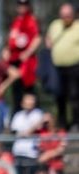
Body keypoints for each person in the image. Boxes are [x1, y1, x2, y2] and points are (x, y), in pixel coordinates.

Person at [46, 3, 79, 131]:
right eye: (64, 16)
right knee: (60, 96)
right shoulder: (55, 25)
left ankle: (76, 123)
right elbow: (49, 39)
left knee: (75, 96)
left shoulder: (77, 26)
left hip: (75, 67)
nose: (66, 18)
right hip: (57, 68)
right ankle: (62, 124)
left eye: (68, 16)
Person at [4, 0, 41, 112]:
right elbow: (11, 39)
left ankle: (32, 115)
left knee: (28, 89)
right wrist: (6, 50)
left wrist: (28, 52)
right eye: (20, 4)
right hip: (15, 60)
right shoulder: (16, 21)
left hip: (26, 62)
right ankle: (17, 115)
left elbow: (37, 38)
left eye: (24, 4)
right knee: (16, 90)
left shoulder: (31, 20)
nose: (22, 7)